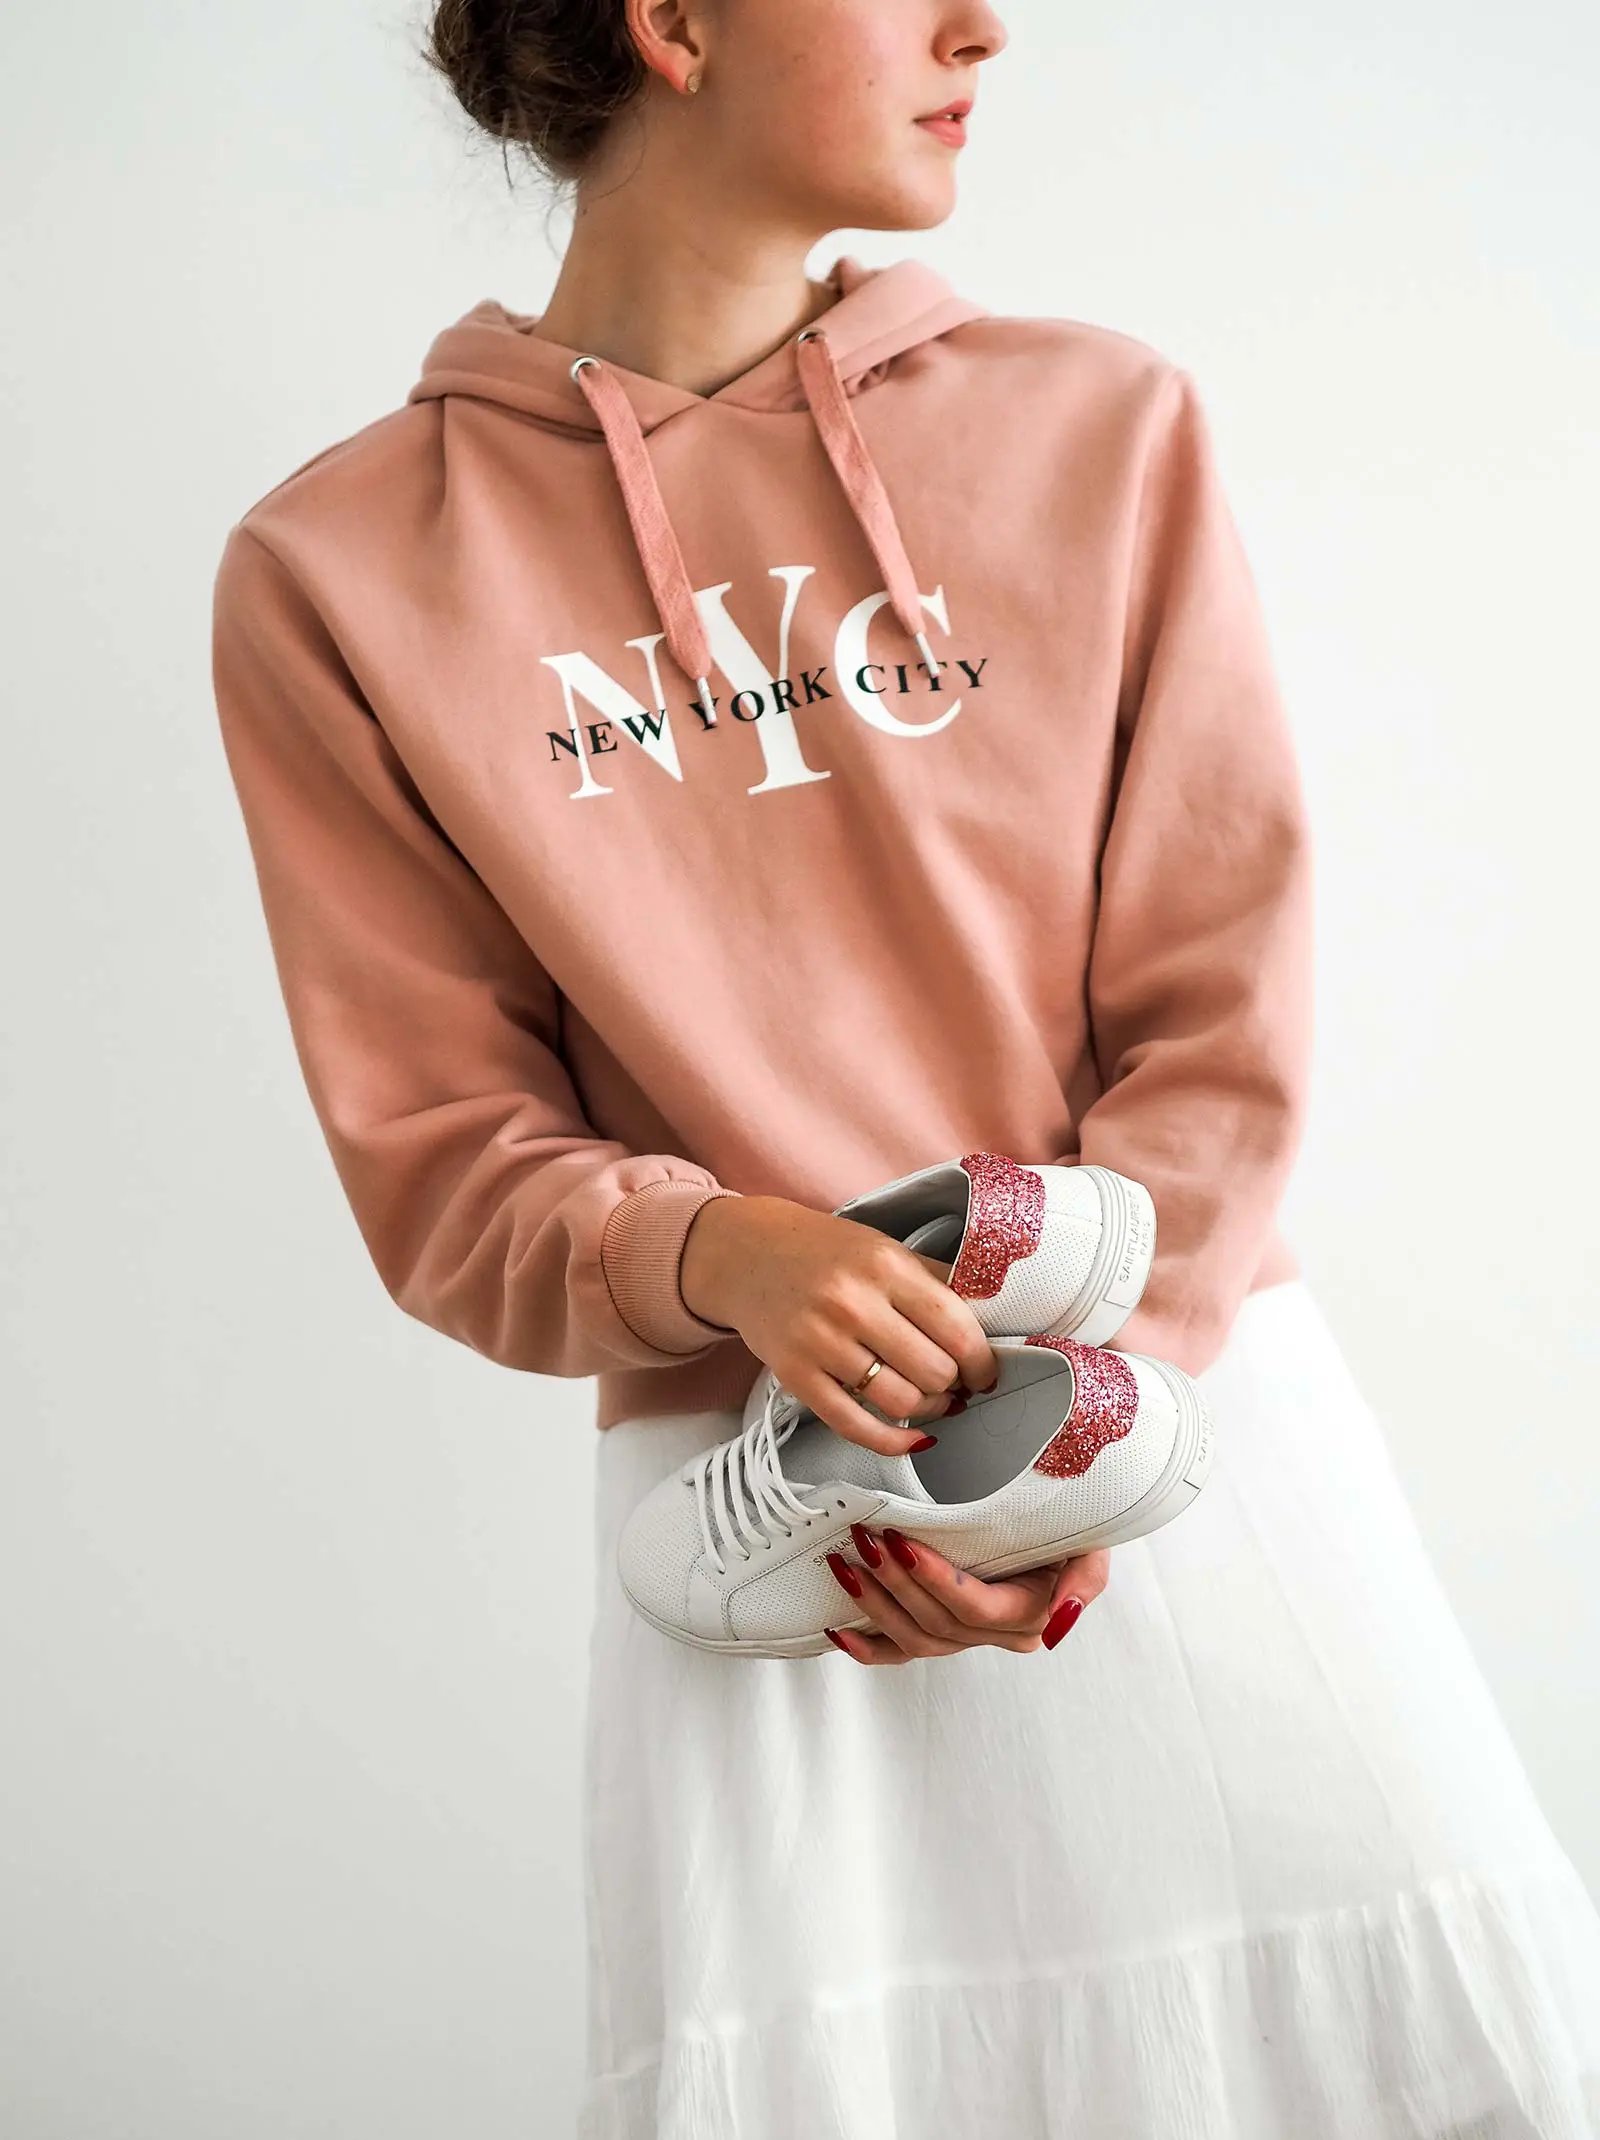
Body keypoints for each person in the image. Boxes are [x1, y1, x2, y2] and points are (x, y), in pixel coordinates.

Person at [209, 0, 1600, 2132]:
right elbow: (440, 1155)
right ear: (674, 22)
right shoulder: (340, 572)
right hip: (770, 1522)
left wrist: (1083, 1434)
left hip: (1184, 1427)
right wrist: (726, 1251)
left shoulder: (1098, 425)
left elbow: (1216, 1002)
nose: (983, 26)